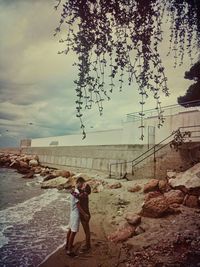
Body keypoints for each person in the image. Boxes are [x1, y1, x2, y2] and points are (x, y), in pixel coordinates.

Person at [66, 177, 90, 257]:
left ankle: (67, 245)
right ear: (79, 182)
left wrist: (72, 191)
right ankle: (69, 250)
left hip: (72, 212)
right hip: (76, 214)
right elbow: (78, 205)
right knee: (73, 231)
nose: (82, 186)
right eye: (82, 184)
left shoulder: (76, 191)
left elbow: (80, 195)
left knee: (70, 229)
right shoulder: (76, 191)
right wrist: (84, 214)